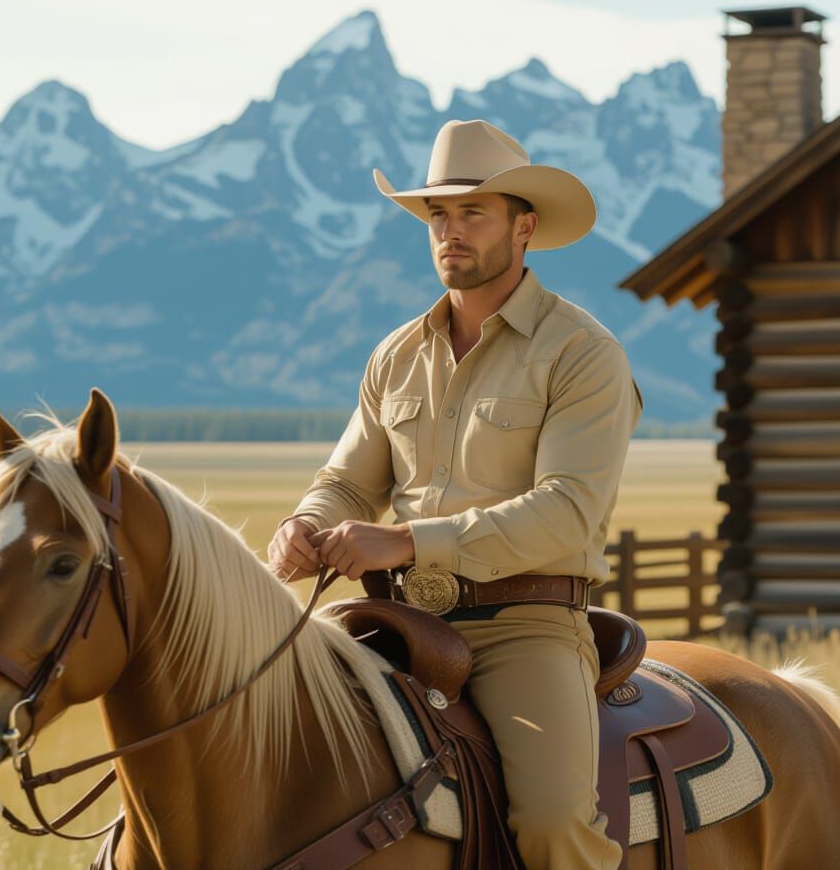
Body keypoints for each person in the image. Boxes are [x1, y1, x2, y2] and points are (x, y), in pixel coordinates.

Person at [268, 118, 640, 870]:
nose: (450, 231)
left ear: (524, 227)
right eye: (438, 214)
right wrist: (306, 525)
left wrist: (407, 541)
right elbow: (347, 481)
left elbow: (568, 509)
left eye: (474, 212)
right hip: (392, 617)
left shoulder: (581, 352)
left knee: (552, 821)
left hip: (523, 625)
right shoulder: (396, 354)